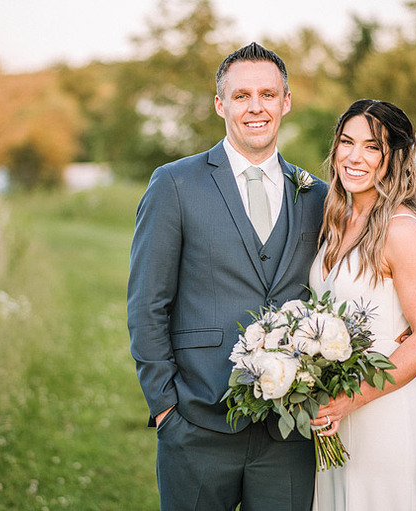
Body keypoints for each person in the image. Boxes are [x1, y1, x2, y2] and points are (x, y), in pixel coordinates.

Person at [127, 42, 328, 510]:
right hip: (197, 422)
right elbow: (147, 303)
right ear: (221, 104)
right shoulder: (175, 184)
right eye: (241, 96)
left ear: (286, 101)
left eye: (267, 94)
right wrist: (165, 406)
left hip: (289, 430)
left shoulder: (317, 195)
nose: (256, 107)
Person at [308, 99, 416, 510]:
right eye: (346, 142)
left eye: (371, 147)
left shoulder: (402, 229)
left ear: (395, 158)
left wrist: (351, 399)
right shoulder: (337, 218)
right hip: (337, 418)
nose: (354, 157)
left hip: (387, 419)